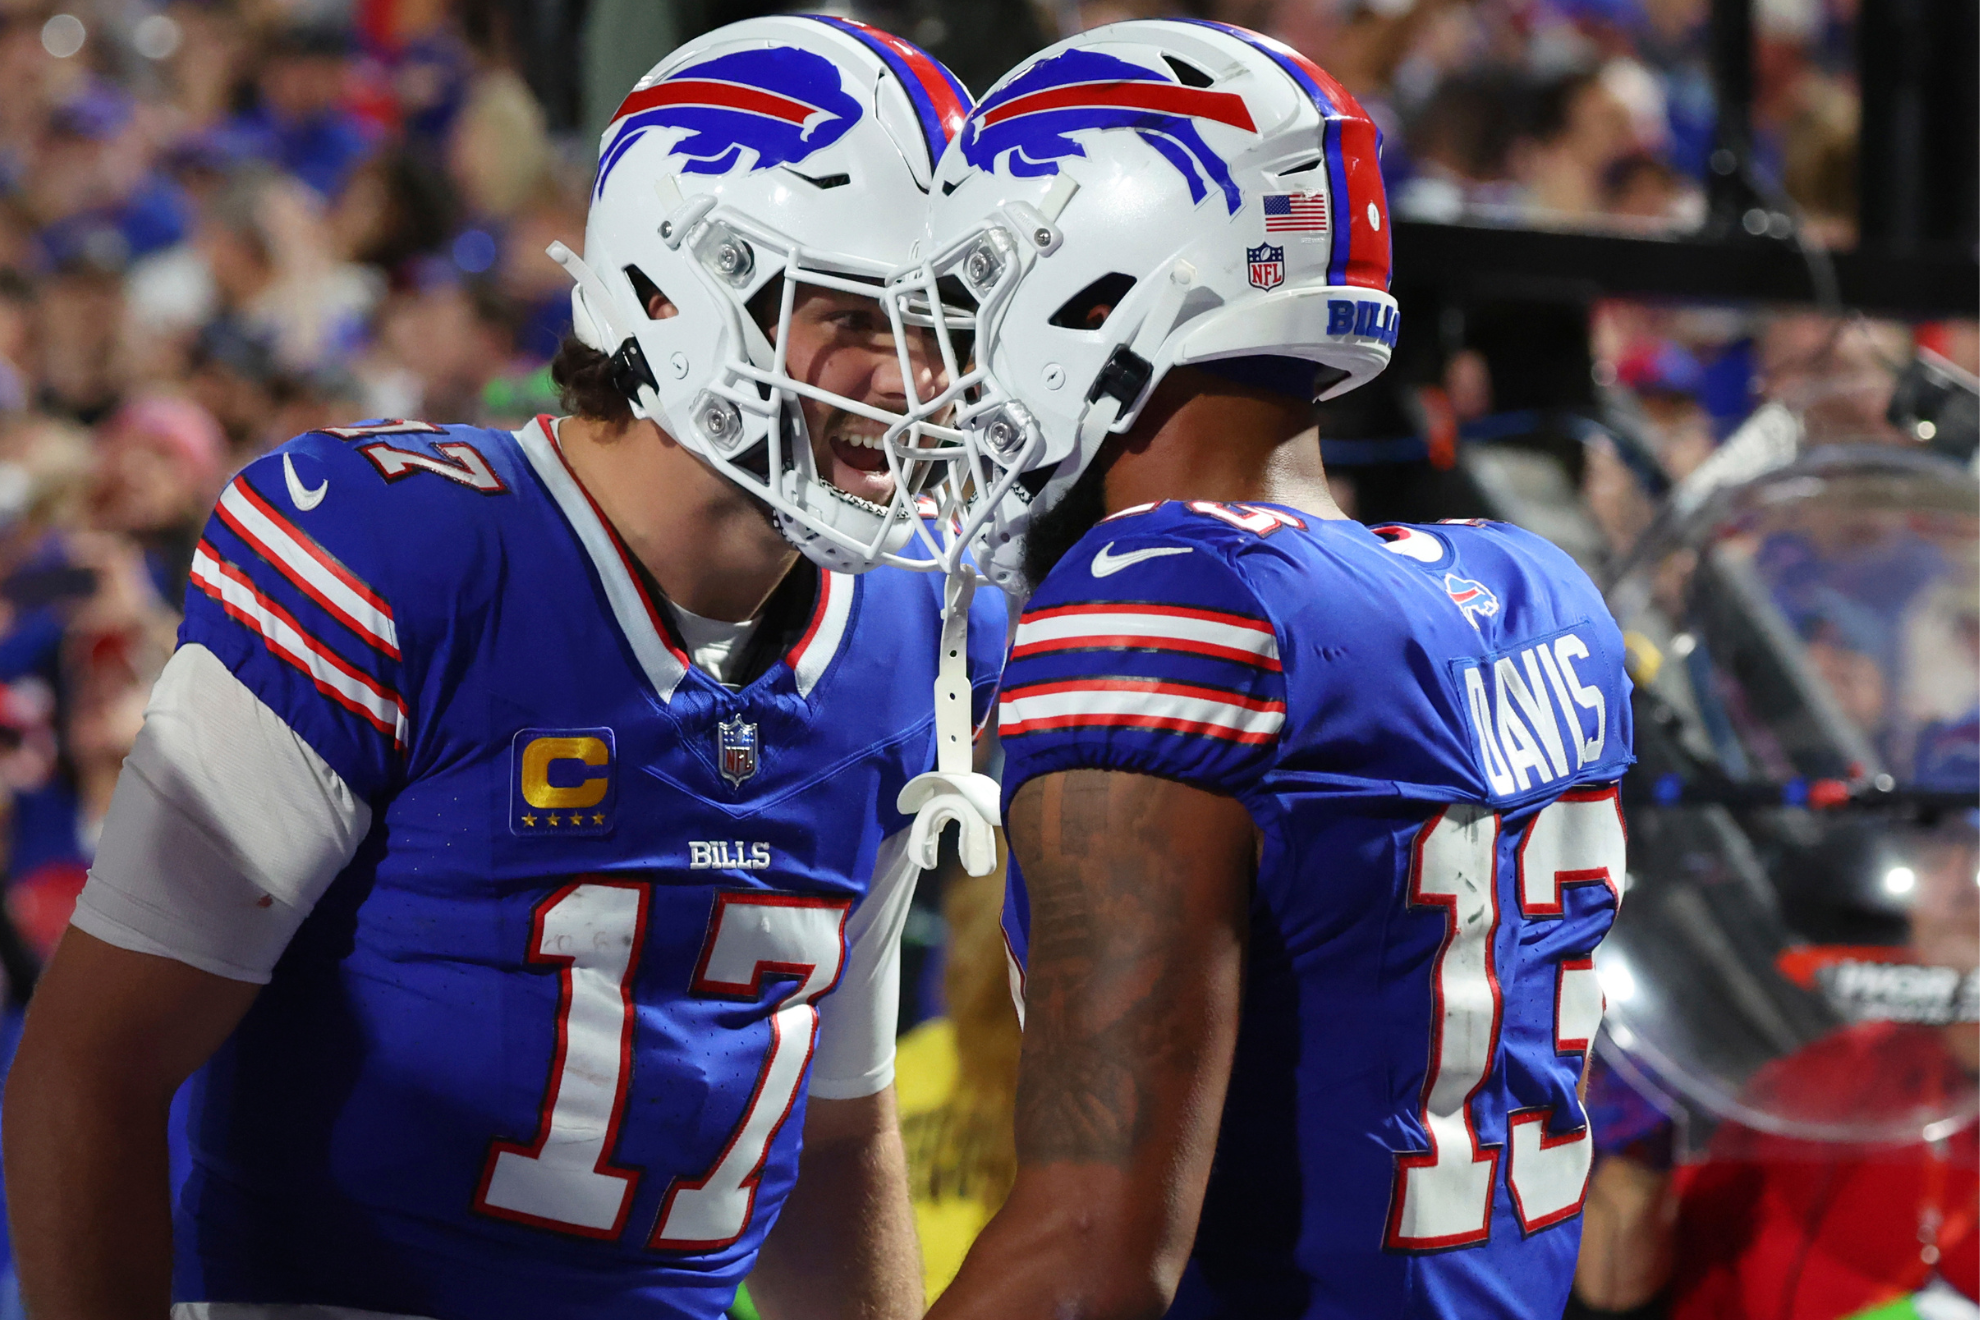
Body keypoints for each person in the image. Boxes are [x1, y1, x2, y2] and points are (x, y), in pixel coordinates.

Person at [3, 17, 999, 1320]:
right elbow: (94, 1068)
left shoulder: (896, 636)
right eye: (862, 310)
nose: (920, 374)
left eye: (954, 320)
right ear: (672, 292)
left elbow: (841, 1138)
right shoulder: (405, 556)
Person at [898, 19, 1635, 1319]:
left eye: (988, 281)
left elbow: (1090, 1259)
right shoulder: (1540, 595)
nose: (957, 340)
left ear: (1107, 283)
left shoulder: (1171, 606)